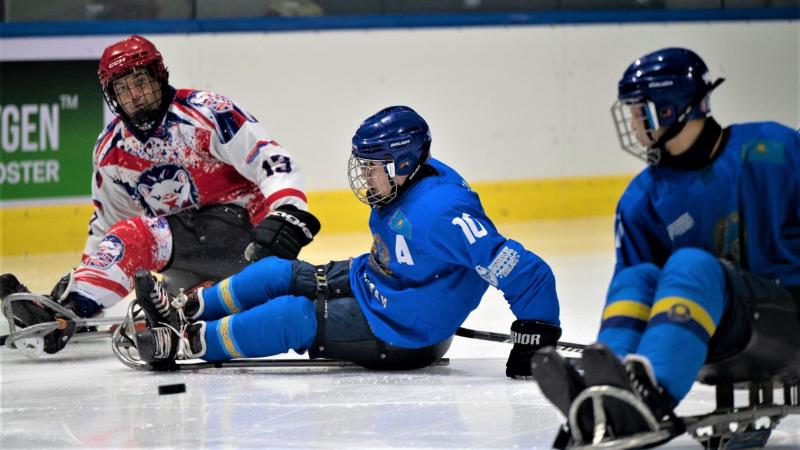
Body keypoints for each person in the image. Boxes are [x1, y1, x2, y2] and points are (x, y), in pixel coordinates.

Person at [129, 105, 561, 376]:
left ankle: (188, 343)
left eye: (373, 166)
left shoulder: (442, 215)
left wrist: (537, 330)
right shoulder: (406, 180)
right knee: (279, 272)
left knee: (292, 316)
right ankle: (188, 309)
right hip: (378, 279)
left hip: (404, 330)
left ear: (405, 163)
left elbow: (524, 270)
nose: (364, 176)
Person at [532, 47, 800, 443]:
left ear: (671, 110)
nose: (634, 125)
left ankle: (650, 399)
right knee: (638, 277)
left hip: (788, 317)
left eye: (640, 112)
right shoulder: (641, 199)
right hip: (716, 333)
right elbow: (636, 293)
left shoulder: (771, 150)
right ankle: (609, 393)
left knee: (693, 264)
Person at [0, 35, 319, 354]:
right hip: (188, 257)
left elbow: (271, 160)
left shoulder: (206, 113)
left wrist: (285, 216)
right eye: (122, 89)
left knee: (141, 237)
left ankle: (63, 313)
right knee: (151, 266)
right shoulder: (112, 151)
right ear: (112, 97)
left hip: (250, 240)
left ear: (159, 76)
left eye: (139, 82)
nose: (134, 95)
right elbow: (108, 228)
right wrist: (88, 291)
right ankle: (70, 312)